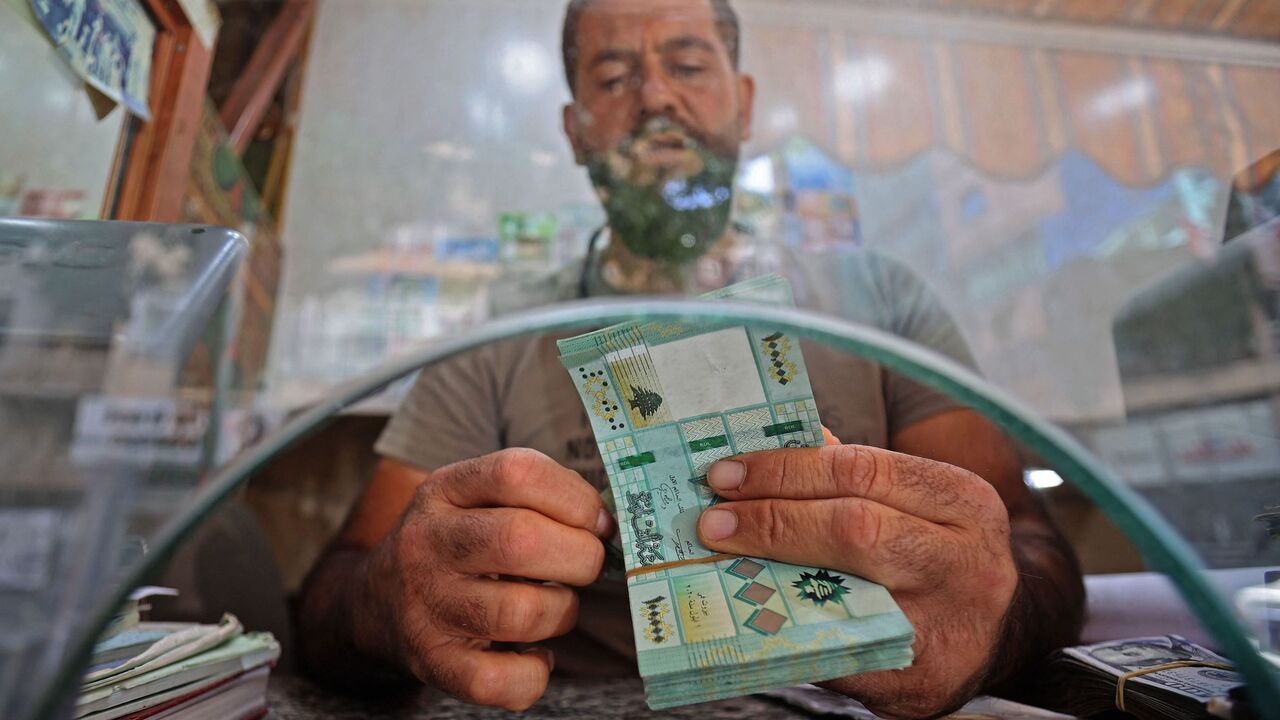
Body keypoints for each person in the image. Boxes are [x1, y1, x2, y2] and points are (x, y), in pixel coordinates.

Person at [296, 1, 1085, 716]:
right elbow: (341, 583)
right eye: (614, 75)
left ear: (742, 105)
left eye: (687, 65)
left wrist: (993, 615)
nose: (656, 98)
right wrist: (388, 598)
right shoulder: (504, 336)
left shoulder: (879, 300)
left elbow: (1028, 543)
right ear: (574, 131)